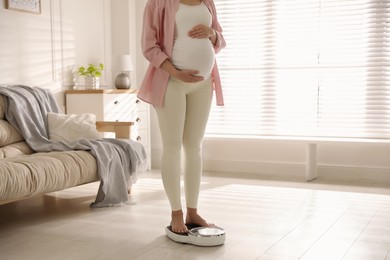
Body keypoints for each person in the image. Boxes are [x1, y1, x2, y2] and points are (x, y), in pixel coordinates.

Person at [138, 0, 226, 234]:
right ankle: (176, 213)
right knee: (172, 147)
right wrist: (175, 71)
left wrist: (213, 34)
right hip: (171, 83)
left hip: (204, 84)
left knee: (194, 147)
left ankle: (192, 211)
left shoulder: (207, 2)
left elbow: (220, 41)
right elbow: (149, 46)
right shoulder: (158, 3)